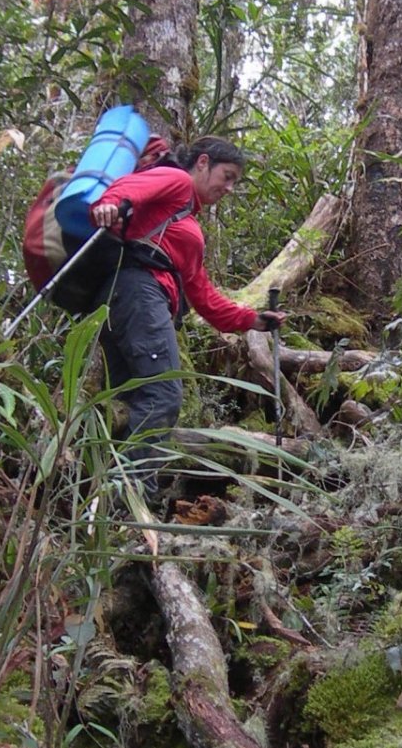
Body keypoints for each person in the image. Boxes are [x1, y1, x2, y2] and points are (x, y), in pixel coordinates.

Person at [88, 134, 286, 497]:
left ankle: (107, 503)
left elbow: (203, 295)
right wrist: (108, 204)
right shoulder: (177, 181)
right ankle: (134, 501)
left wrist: (254, 321)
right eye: (227, 176)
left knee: (133, 402)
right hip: (137, 294)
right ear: (203, 162)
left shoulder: (183, 221)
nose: (229, 188)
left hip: (123, 301)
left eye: (234, 182)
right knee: (163, 396)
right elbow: (129, 187)